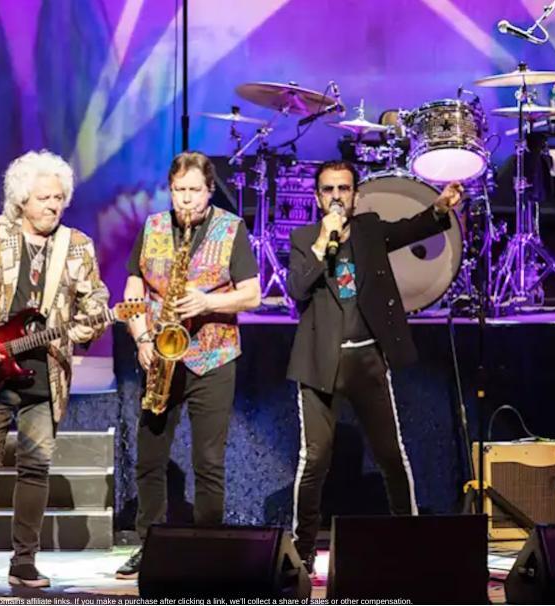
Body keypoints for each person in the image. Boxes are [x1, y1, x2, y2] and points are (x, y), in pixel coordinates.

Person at [0, 150, 110, 589]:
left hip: (45, 373)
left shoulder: (77, 245)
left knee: (35, 467)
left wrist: (90, 325)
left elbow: (95, 302)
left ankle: (25, 562)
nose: (53, 206)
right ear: (21, 200)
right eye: (43, 198)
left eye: (58, 198)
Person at [286, 160, 464, 572]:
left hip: (366, 358)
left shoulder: (369, 230)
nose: (336, 196)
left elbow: (411, 230)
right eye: (328, 190)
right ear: (317, 198)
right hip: (320, 362)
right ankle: (303, 551)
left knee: (390, 454)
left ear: (355, 195)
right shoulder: (303, 238)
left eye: (343, 189)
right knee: (314, 459)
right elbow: (297, 287)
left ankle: (409, 540)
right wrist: (323, 241)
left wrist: (440, 208)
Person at [115, 151, 261, 579]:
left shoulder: (231, 228)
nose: (186, 199)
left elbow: (252, 294)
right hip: (160, 356)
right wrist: (142, 336)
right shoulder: (154, 227)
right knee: (149, 459)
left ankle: (207, 547)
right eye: (179, 190)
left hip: (213, 358)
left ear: (209, 190)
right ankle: (149, 546)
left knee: (208, 461)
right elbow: (134, 286)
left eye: (194, 190)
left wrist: (207, 302)